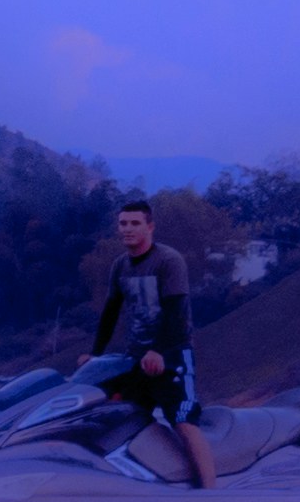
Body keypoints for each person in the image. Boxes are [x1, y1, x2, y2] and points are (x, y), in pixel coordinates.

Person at [89, 198, 212, 480]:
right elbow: (110, 312)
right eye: (123, 223)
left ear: (150, 227)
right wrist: (94, 355)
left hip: (172, 356)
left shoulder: (168, 260)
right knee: (119, 419)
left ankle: (210, 494)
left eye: (135, 223)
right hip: (135, 359)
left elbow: (176, 313)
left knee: (183, 421)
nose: (127, 229)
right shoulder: (120, 265)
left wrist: (158, 350)